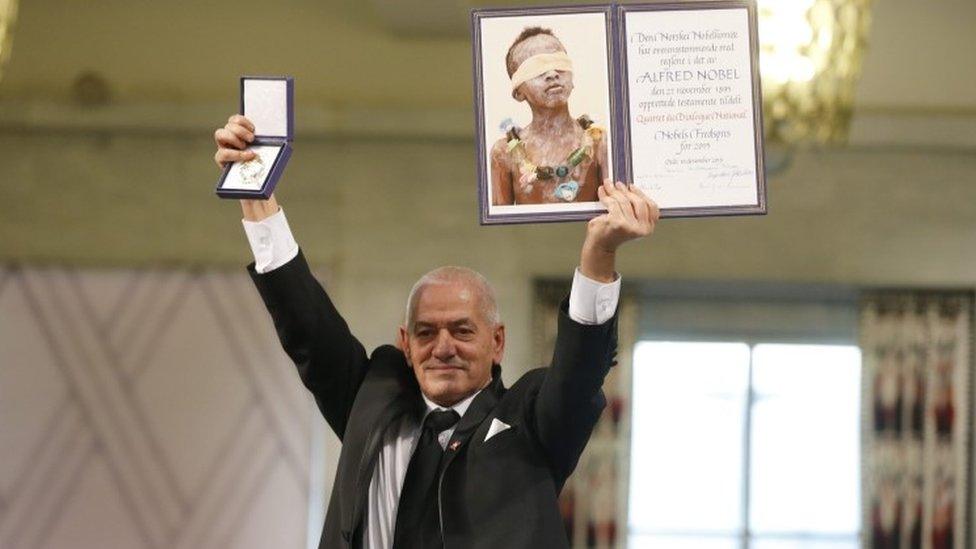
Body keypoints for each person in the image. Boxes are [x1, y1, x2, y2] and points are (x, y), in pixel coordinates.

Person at [213, 114, 658, 548]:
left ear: (496, 341)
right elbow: (305, 323)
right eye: (426, 333)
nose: (443, 347)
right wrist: (254, 187)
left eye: (462, 331)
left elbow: (580, 371)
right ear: (405, 345)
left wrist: (600, 253)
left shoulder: (531, 420)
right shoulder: (371, 402)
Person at [490, 27, 609, 206]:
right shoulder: (504, 153)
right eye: (537, 68)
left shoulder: (599, 141)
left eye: (559, 64)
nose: (552, 74)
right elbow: (499, 227)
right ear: (519, 92)